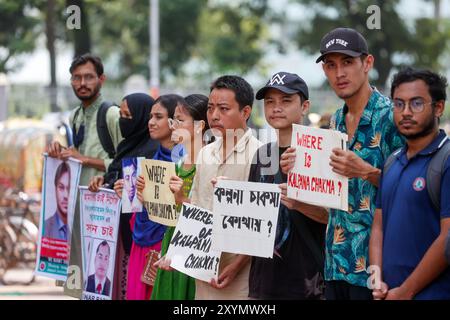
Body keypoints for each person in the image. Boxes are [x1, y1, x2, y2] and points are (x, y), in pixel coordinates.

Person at [281, 28, 404, 300]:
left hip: (375, 270)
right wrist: (299, 167)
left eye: (347, 62)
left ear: (367, 63)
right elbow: (331, 194)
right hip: (336, 264)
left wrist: (367, 172)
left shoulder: (391, 118)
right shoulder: (335, 120)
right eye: (331, 65)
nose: (339, 73)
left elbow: (409, 188)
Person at [369, 68, 450, 300]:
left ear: (438, 107)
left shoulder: (446, 159)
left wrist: (406, 291)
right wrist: (376, 280)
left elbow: (448, 238)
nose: (405, 112)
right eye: (398, 104)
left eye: (416, 104)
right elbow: (378, 227)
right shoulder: (391, 162)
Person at [46, 53, 122, 299]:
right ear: (71, 82)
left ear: (102, 79)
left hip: (106, 209)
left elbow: (127, 162)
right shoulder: (75, 116)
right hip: (79, 208)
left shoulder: (111, 114)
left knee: (105, 277)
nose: (82, 83)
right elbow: (75, 157)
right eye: (77, 78)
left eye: (89, 77)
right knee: (83, 281)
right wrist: (60, 154)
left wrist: (85, 160)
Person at [248, 72, 327, 300]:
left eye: (286, 100)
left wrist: (299, 204)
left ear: (305, 107)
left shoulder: (320, 153)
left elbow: (333, 219)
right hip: (263, 284)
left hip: (307, 285)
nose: (276, 108)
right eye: (270, 102)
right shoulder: (262, 155)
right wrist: (228, 196)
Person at [189, 75, 262, 300]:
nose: (214, 116)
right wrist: (178, 256)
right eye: (211, 108)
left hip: (241, 276)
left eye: (223, 108)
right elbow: (195, 208)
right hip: (202, 269)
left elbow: (263, 224)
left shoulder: (260, 155)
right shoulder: (205, 152)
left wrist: (237, 265)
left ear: (246, 112)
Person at [88, 92, 158, 300]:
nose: (122, 121)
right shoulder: (126, 146)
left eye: (128, 116)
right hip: (118, 233)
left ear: (141, 118)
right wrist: (106, 182)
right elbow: (118, 174)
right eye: (121, 114)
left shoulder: (154, 151)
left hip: (143, 236)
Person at [115, 94, 185, 300]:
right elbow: (139, 209)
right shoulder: (149, 161)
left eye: (158, 117)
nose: (151, 122)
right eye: (150, 117)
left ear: (174, 122)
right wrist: (128, 195)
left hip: (167, 246)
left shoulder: (186, 162)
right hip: (141, 242)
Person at [141, 94, 209, 300]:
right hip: (171, 244)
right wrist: (146, 199)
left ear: (199, 126)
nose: (173, 126)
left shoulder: (208, 164)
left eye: (180, 120)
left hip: (192, 250)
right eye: (174, 120)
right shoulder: (179, 163)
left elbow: (206, 214)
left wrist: (180, 199)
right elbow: (171, 211)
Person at [45, 161, 71, 241]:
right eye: (61, 188)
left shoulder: (78, 229)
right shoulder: (45, 226)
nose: (66, 196)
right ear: (55, 189)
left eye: (69, 188)